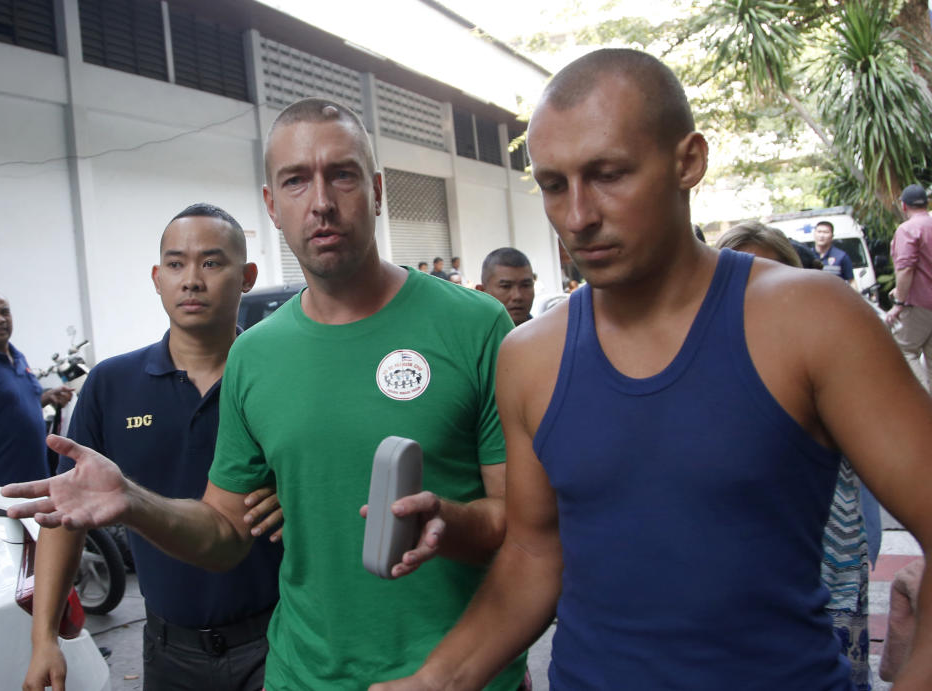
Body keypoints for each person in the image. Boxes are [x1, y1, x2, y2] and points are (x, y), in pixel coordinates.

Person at [369, 48, 932, 691]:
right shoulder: (530, 357)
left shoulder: (810, 320)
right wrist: (436, 679)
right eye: (554, 185)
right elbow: (533, 553)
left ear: (688, 161)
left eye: (608, 174)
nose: (578, 216)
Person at [5, 99, 525, 690]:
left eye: (343, 174)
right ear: (273, 206)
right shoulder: (255, 356)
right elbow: (226, 534)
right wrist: (131, 500)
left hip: (462, 677)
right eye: (297, 181)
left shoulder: (475, 326)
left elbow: (524, 527)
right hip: (299, 675)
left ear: (377, 190)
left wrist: (449, 524)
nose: (322, 202)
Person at [22, 204, 284, 691]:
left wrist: (300, 494)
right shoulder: (111, 385)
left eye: (211, 262)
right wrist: (44, 640)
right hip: (168, 652)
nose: (191, 280)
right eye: (176, 264)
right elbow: (65, 519)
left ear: (246, 276)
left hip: (279, 641)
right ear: (156, 277)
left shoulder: (280, 381)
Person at [716, 221, 874, 690]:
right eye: (744, 277)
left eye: (774, 274)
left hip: (834, 568)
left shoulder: (831, 351)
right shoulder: (701, 367)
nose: (759, 290)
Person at [0, 291, 72, 486]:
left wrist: (48, 397)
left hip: (36, 479)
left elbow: (9, 403)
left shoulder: (19, 358)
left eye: (4, 312)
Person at [885, 183, 932, 391]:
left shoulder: (907, 230)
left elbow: (905, 269)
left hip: (918, 304)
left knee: (903, 351)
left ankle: (924, 402)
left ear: (903, 206)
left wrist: (898, 303)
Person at [476, 248, 535, 326]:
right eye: (506, 286)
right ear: (482, 292)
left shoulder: (548, 334)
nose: (517, 296)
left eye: (525, 285)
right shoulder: (470, 336)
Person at [814, 220, 855, 285]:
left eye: (826, 232)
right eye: (819, 232)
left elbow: (851, 281)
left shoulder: (841, 256)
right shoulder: (808, 255)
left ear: (832, 236)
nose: (821, 235)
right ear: (814, 234)